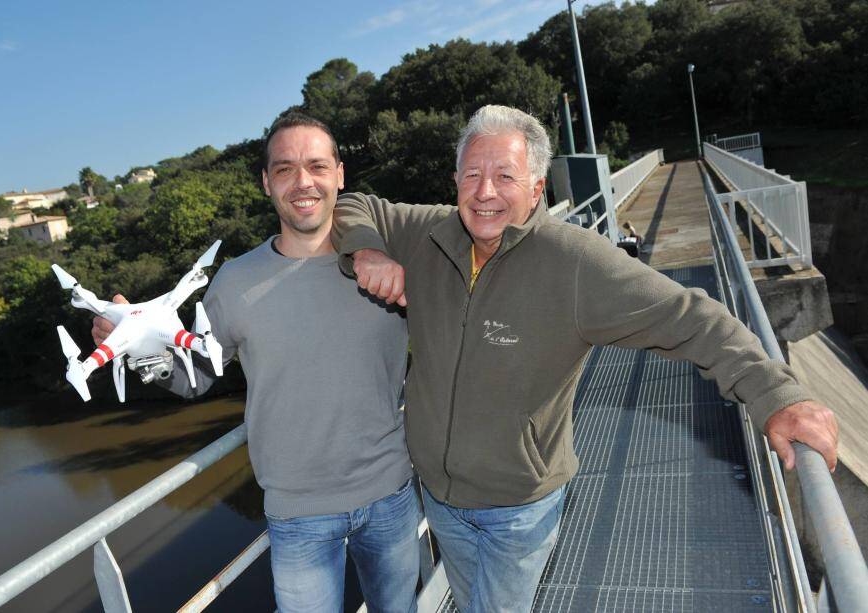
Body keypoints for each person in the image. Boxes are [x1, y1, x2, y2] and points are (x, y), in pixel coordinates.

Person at [331, 104, 838, 612]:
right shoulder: (430, 234)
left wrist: (775, 395)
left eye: (505, 176)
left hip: (517, 507)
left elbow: (691, 316)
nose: (485, 192)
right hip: (440, 500)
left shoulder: (575, 262)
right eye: (472, 175)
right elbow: (354, 203)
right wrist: (366, 251)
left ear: (536, 189)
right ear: (455, 181)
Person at [93, 113, 420, 613]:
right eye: (285, 169)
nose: (303, 182)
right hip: (297, 516)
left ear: (340, 174)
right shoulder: (235, 282)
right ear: (266, 183)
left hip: (391, 496)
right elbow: (199, 375)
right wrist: (141, 352)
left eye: (316, 165)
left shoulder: (391, 261)